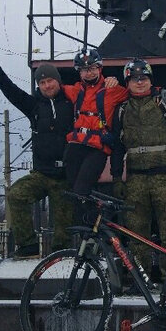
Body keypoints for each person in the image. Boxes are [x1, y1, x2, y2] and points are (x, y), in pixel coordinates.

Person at [0, 43, 75, 257]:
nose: (47, 86)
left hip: (65, 176)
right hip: (41, 173)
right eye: (42, 82)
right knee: (17, 195)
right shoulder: (33, 106)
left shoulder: (72, 103)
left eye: (50, 81)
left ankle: (63, 256)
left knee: (63, 230)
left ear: (58, 81)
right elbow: (8, 88)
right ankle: (28, 246)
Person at [108, 59, 166, 282]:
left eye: (144, 78)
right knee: (136, 233)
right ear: (127, 82)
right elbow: (117, 146)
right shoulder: (121, 109)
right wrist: (116, 178)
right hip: (136, 180)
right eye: (134, 79)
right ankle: (140, 283)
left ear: (150, 80)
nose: (140, 83)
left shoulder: (163, 100)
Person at [60, 47, 129, 213]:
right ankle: (84, 226)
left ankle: (90, 227)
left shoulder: (112, 90)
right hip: (77, 144)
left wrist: (116, 80)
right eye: (84, 70)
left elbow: (135, 91)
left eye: (91, 69)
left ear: (99, 68)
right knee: (71, 188)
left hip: (98, 148)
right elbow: (54, 88)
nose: (88, 73)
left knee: (81, 189)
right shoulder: (76, 90)